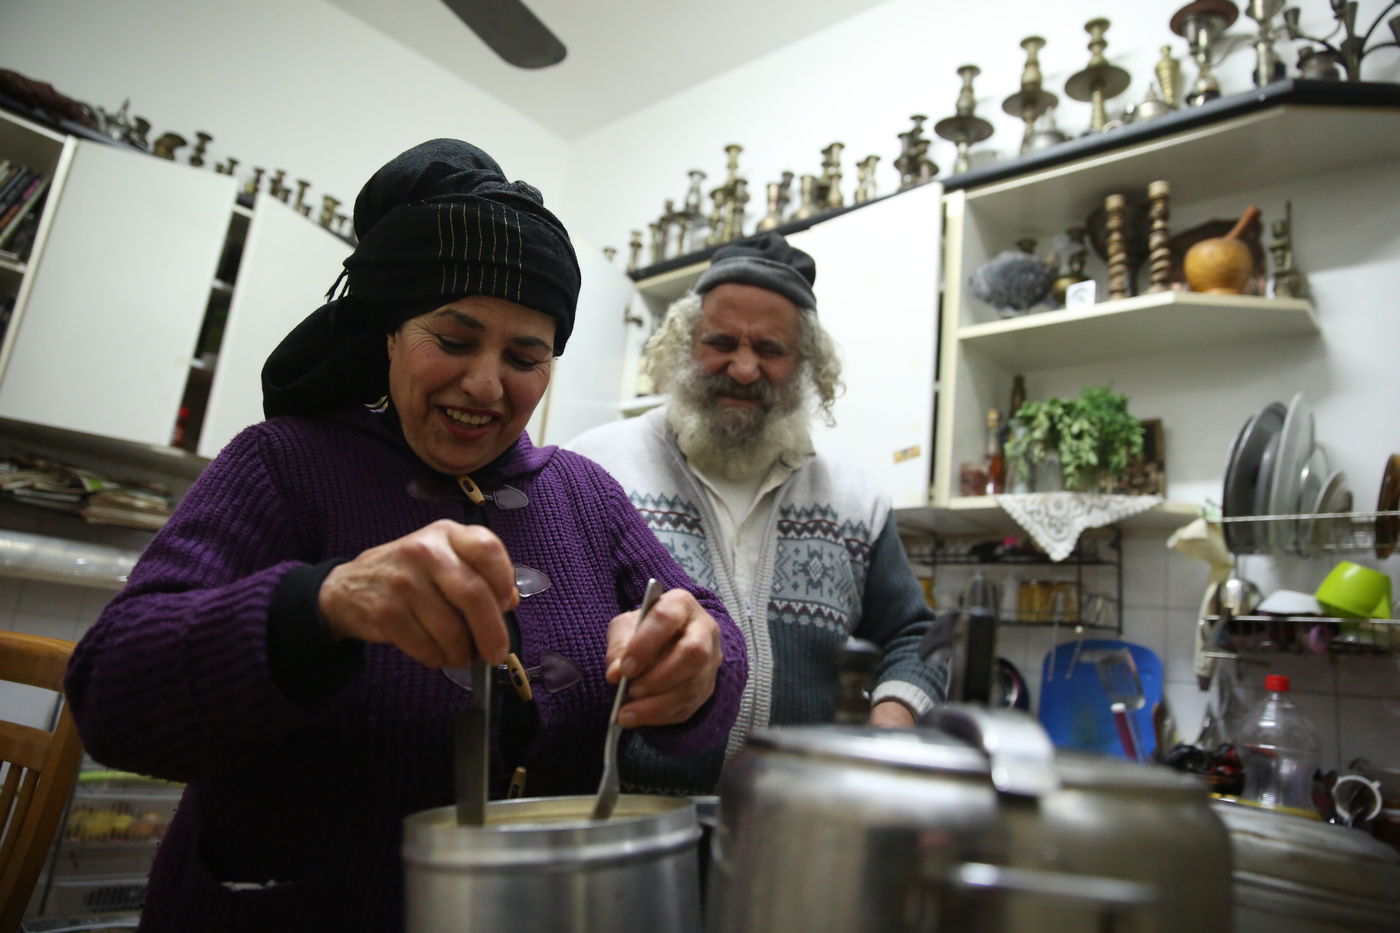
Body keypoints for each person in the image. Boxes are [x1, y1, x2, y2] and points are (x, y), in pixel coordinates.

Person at [63, 139, 746, 932]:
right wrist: (322, 606)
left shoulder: (585, 494)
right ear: (388, 334)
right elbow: (111, 689)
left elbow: (707, 630)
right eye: (453, 342)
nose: (486, 383)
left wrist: (697, 662)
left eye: (525, 356)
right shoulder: (284, 463)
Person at [567, 232, 945, 796]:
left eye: (770, 350)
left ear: (806, 366)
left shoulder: (853, 495)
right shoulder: (596, 468)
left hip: (798, 828)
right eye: (721, 342)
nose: (743, 369)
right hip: (627, 829)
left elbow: (917, 634)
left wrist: (891, 724)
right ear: (682, 345)